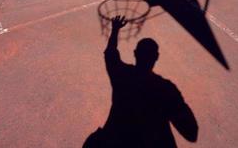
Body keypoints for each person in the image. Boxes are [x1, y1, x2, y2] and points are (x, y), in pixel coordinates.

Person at [83, 16, 198, 148]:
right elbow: (191, 133)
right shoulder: (166, 89)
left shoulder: (122, 74)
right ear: (156, 57)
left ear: (135, 53)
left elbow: (110, 53)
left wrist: (115, 30)